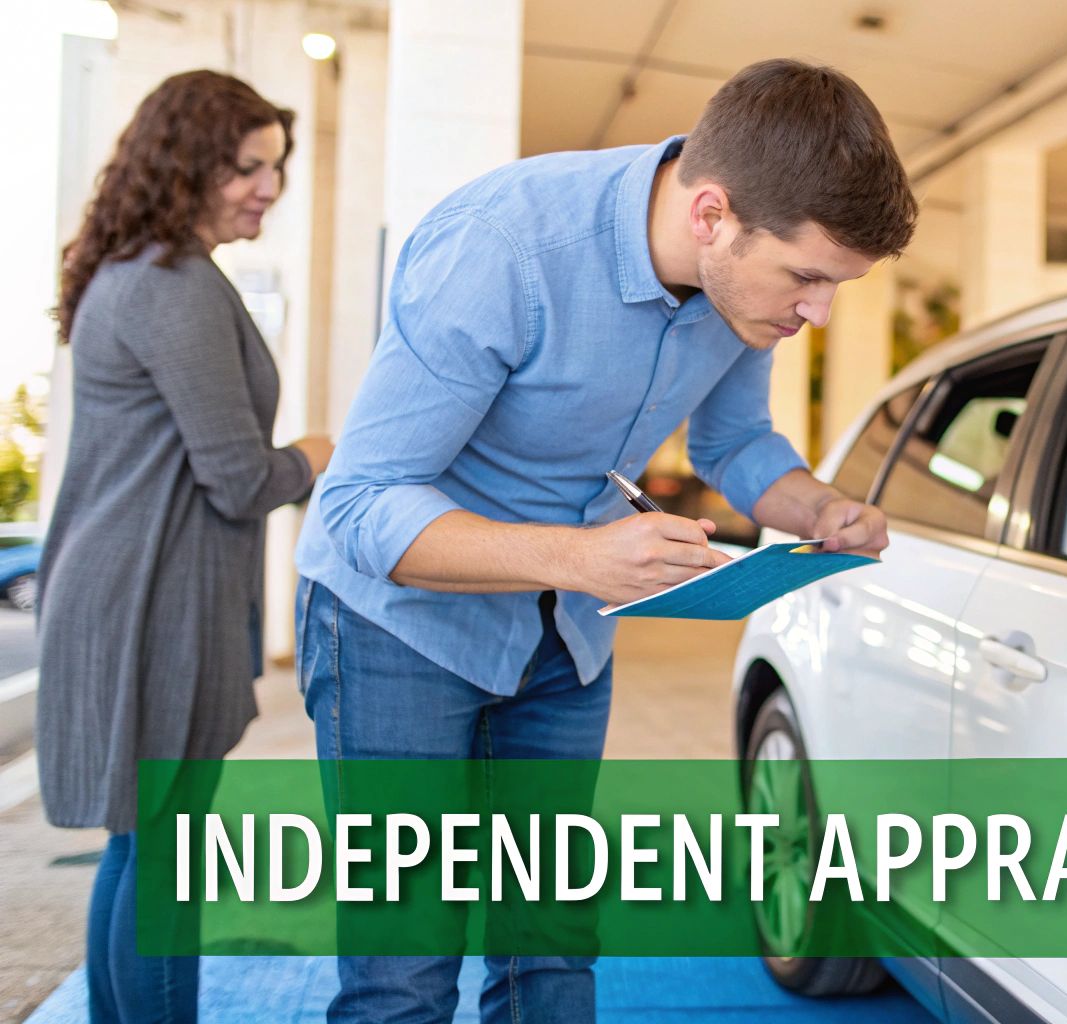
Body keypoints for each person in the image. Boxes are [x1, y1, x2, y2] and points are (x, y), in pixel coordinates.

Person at [292, 57, 915, 1020]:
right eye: (807, 276)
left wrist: (815, 507)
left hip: (565, 637)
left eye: (838, 285)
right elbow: (360, 502)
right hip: (397, 630)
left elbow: (736, 441)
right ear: (712, 214)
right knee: (405, 967)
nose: (818, 311)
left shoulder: (739, 295)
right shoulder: (503, 246)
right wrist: (581, 557)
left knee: (550, 943)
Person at [37, 69, 333, 1023]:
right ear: (186, 164)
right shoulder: (175, 283)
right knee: (164, 856)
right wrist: (317, 456)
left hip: (123, 590)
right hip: (152, 602)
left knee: (137, 846)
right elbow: (241, 478)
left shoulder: (134, 271)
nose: (268, 188)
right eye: (247, 167)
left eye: (276, 168)